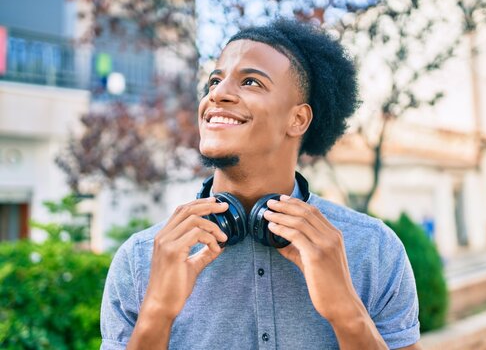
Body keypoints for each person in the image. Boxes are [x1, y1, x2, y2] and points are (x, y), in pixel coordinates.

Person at [100, 19, 421, 350]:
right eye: (214, 80)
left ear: (297, 119)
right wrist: (156, 312)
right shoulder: (139, 260)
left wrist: (346, 312)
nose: (217, 94)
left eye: (250, 82)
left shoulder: (373, 249)